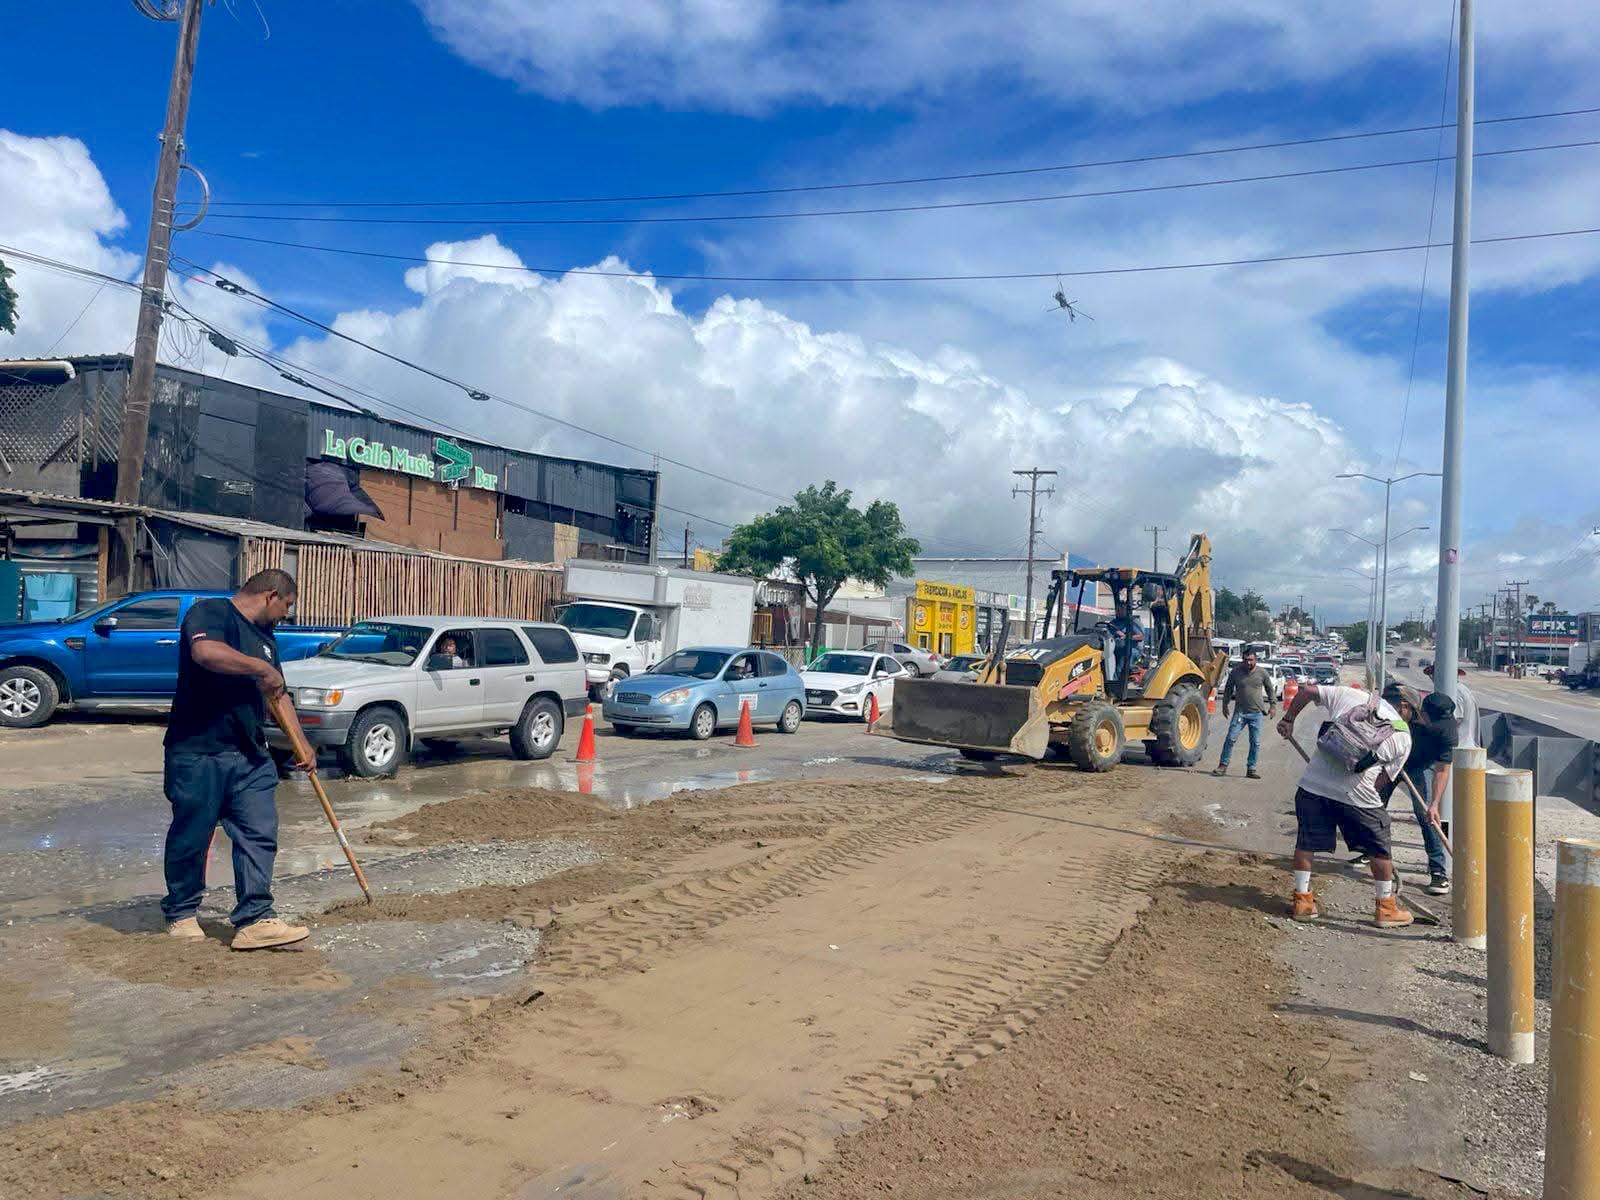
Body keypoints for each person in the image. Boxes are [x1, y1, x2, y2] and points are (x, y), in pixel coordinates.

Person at [161, 568, 312, 951]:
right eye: (286, 606)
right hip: (197, 750)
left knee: (259, 832)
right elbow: (206, 653)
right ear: (271, 595)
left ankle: (256, 918)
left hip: (250, 753)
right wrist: (259, 667)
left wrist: (301, 743)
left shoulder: (266, 638)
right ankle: (181, 912)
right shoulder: (210, 613)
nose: (286, 615)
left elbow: (277, 692)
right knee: (193, 834)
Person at [1277, 680, 1414, 928]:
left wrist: (1289, 719)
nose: (1411, 718)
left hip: (1312, 786)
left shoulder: (1352, 696)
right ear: (1404, 707)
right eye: (1413, 713)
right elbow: (1381, 781)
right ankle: (1386, 908)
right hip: (1358, 796)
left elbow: (1307, 691)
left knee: (1306, 842)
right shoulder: (1403, 734)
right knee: (1380, 848)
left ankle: (1303, 902)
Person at [1396, 682, 1458, 897]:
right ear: (1422, 713)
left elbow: (1442, 770)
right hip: (1391, 761)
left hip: (1420, 767)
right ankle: (1369, 851)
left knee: (1428, 816)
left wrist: (1434, 804)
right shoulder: (1404, 712)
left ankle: (1438, 871)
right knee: (1371, 807)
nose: (1439, 725)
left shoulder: (1448, 730)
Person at [1212, 647, 1275, 779]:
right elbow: (1228, 689)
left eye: (1251, 660)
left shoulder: (1262, 673)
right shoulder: (1235, 672)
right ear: (1242, 660)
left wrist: (1273, 705)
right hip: (1240, 713)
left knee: (1255, 742)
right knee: (1230, 738)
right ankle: (1222, 765)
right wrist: (1225, 705)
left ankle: (1251, 768)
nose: (1248, 663)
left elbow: (1270, 689)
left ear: (1256, 659)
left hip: (1256, 714)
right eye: (1246, 660)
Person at [1423, 663, 1479, 749]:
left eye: (1433, 674)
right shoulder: (1462, 689)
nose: (1432, 678)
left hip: (1459, 747)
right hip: (1464, 746)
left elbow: (1456, 720)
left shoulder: (1455, 691)